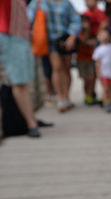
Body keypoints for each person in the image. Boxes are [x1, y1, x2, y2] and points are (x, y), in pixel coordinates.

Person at [0, 0, 51, 137]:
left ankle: (31, 119)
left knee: (25, 81)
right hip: (9, 35)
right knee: (19, 82)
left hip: (21, 35)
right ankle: (30, 124)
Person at [27, 0, 82, 113]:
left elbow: (76, 21)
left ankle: (66, 97)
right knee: (57, 68)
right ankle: (61, 98)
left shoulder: (66, 3)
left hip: (66, 40)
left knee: (66, 69)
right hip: (50, 41)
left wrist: (72, 37)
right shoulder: (38, 3)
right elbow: (28, 19)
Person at [77, 0, 108, 105]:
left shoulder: (100, 13)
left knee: (92, 76)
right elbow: (81, 37)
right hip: (83, 53)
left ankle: (90, 96)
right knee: (86, 77)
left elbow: (105, 25)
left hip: (94, 52)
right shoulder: (84, 15)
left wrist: (96, 39)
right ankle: (88, 96)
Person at [92, 30, 111, 113]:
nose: (104, 36)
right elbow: (97, 63)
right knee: (106, 89)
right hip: (104, 74)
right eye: (102, 35)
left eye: (106, 34)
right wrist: (98, 73)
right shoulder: (98, 50)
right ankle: (106, 103)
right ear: (98, 38)